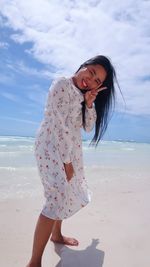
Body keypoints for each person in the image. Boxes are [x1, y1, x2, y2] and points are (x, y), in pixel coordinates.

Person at [26, 55, 117, 267]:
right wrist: (66, 162)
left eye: (97, 81)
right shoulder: (61, 84)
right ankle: (34, 262)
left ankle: (56, 235)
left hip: (69, 151)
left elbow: (86, 127)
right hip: (51, 147)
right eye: (91, 72)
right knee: (55, 197)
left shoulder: (81, 96)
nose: (90, 80)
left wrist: (89, 103)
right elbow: (60, 127)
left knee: (64, 193)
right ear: (83, 65)